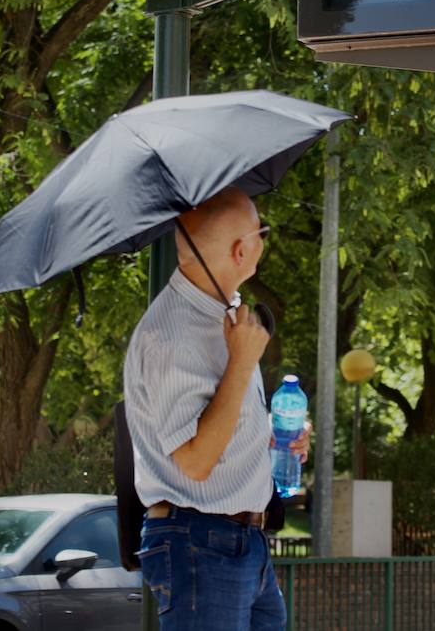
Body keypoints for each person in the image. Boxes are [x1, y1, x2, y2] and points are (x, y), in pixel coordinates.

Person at [123, 187, 311, 630]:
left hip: (240, 540)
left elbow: (216, 426)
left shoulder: (219, 314)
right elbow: (195, 460)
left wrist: (272, 439)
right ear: (240, 249)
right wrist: (243, 361)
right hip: (200, 544)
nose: (265, 239)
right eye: (262, 230)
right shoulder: (170, 336)